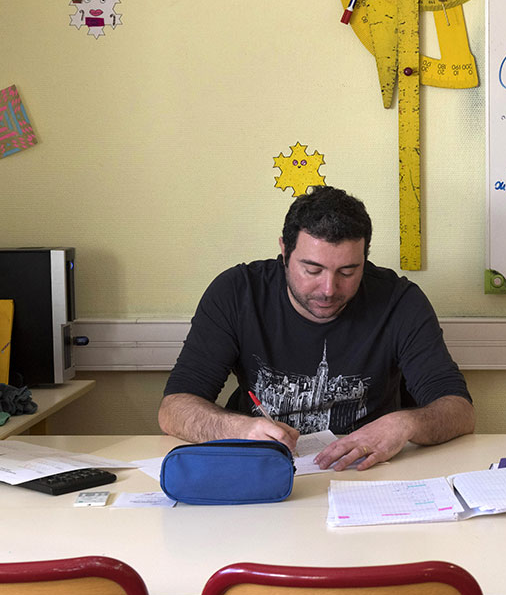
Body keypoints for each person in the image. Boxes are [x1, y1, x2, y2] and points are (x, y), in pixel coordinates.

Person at [159, 186, 474, 471]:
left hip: (371, 471)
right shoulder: (237, 293)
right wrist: (238, 429)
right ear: (284, 252)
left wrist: (406, 424)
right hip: (263, 468)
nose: (328, 289)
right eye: (312, 269)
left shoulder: (400, 301)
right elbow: (173, 409)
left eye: (348, 272)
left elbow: (459, 411)